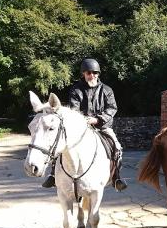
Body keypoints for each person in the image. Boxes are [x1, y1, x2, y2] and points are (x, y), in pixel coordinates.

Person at [42, 58, 127, 192]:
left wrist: (98, 119)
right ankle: (53, 174)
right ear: (84, 74)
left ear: (98, 74)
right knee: (60, 144)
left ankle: (117, 178)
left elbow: (112, 108)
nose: (91, 75)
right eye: (88, 72)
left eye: (94, 72)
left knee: (117, 147)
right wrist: (84, 120)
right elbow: (74, 109)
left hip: (102, 126)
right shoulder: (76, 90)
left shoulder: (107, 90)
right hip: (81, 127)